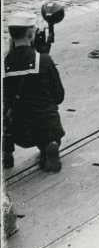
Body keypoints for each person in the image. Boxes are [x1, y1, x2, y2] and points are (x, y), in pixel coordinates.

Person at [3, 12, 65, 173]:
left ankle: (7, 152)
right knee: (48, 120)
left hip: (18, 131)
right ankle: (50, 145)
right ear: (31, 33)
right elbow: (59, 96)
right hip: (45, 128)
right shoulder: (43, 60)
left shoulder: (4, 65)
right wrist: (44, 55)